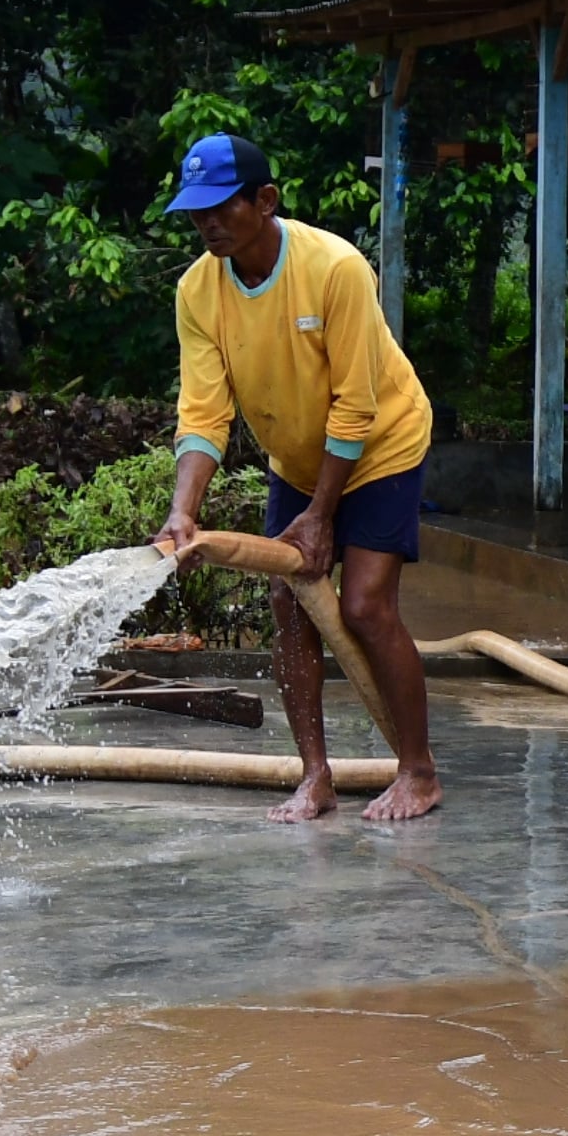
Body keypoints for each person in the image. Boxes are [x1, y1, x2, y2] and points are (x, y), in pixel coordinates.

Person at [152, 132, 441, 825]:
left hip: (381, 443)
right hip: (299, 459)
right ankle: (316, 777)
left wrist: (321, 515)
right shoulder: (197, 291)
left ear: (265, 200)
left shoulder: (335, 267)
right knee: (289, 603)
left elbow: (356, 403)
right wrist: (182, 512)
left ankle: (419, 772)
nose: (207, 224)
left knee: (365, 606)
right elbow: (204, 413)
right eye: (196, 213)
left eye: (221, 207)